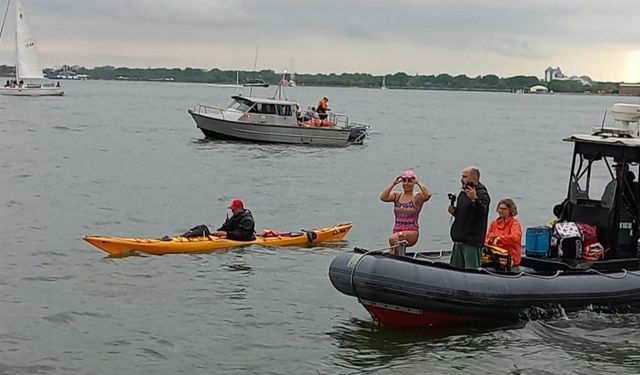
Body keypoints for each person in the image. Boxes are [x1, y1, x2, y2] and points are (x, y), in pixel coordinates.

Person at [379, 169, 432, 255]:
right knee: (394, 243)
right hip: (397, 231)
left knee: (392, 239)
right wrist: (393, 183)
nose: (407, 183)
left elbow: (428, 195)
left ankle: (396, 258)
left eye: (410, 181)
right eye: (404, 181)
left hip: (411, 232)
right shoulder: (397, 196)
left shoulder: (416, 198)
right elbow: (383, 197)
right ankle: (397, 259)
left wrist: (418, 182)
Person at [448, 166, 491, 269]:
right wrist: (455, 212)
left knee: (471, 270)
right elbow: (465, 213)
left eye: (465, 176)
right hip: (459, 238)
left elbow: (482, 213)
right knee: (455, 270)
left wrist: (474, 200)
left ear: (473, 178)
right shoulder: (463, 192)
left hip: (472, 241)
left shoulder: (482, 194)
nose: (461, 179)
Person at [485, 199, 523, 267]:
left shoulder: (515, 224)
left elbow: (515, 238)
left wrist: (499, 238)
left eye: (503, 209)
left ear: (510, 210)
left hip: (510, 256)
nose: (501, 211)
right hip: (495, 255)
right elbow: (487, 238)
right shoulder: (494, 223)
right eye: (499, 208)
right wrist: (490, 239)